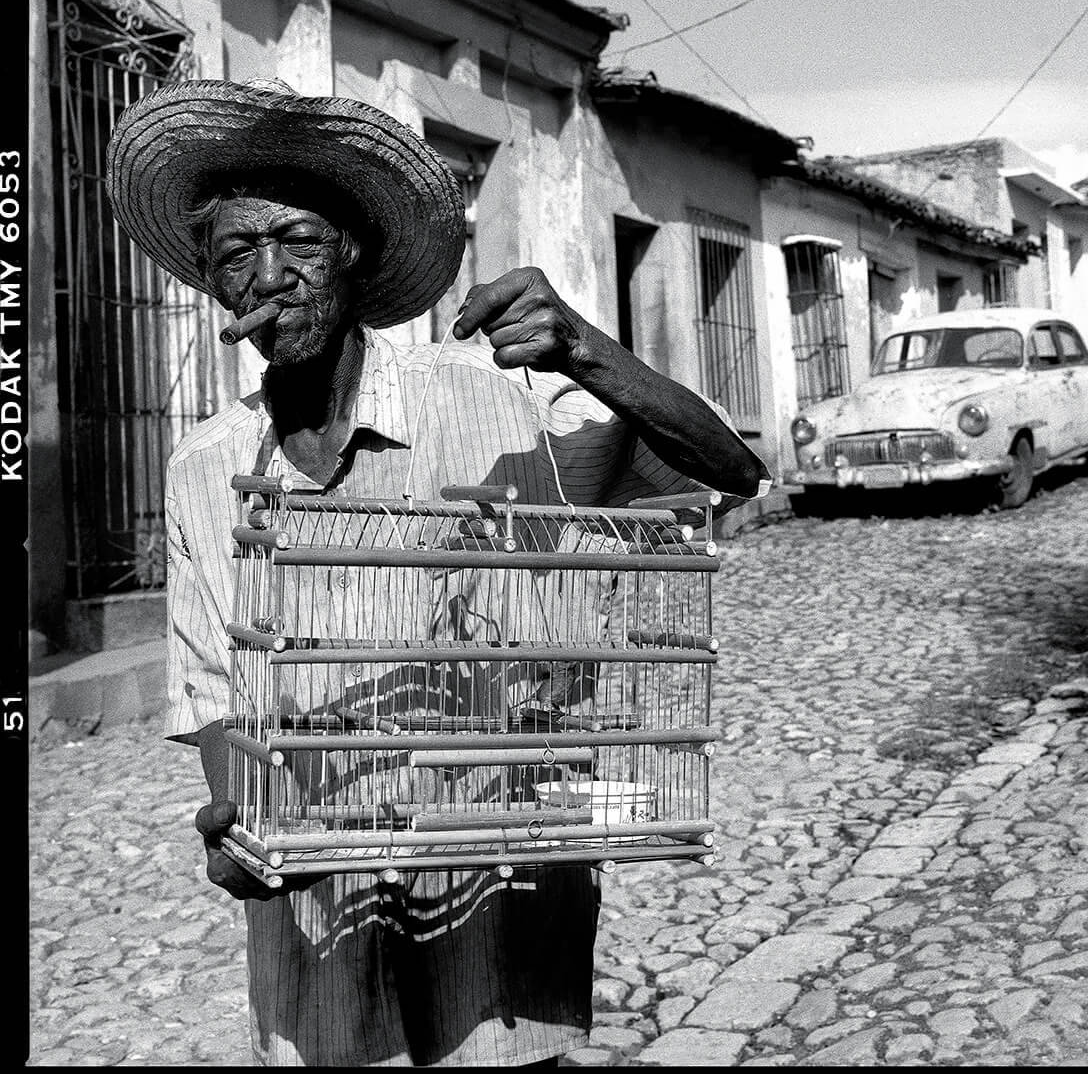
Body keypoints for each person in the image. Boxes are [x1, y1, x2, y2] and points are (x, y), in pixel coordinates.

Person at [105, 78, 768, 1067]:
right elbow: (214, 688)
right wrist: (238, 829)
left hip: (495, 904)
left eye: (301, 241)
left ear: (354, 257)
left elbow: (732, 470)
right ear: (213, 287)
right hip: (319, 924)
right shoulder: (206, 467)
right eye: (239, 253)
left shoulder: (499, 412)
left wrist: (587, 349)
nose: (272, 273)